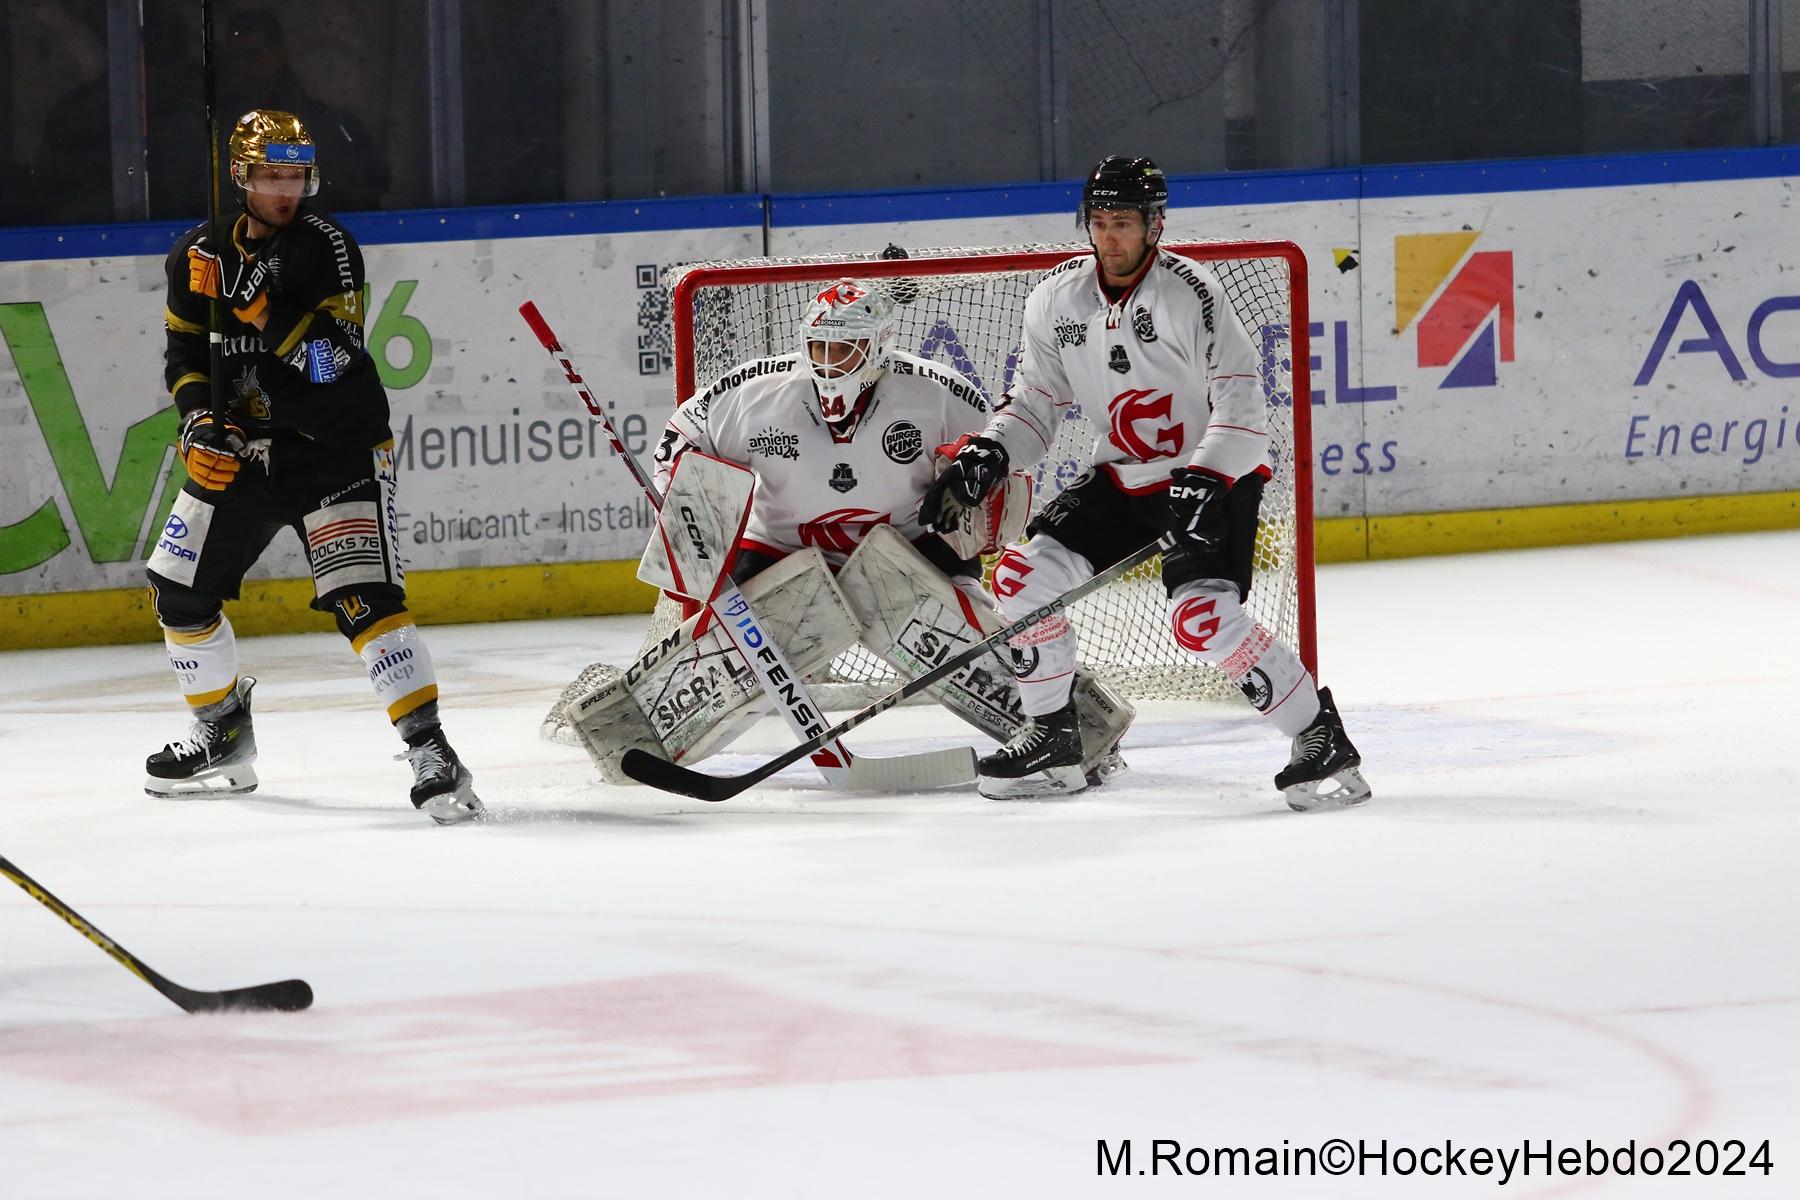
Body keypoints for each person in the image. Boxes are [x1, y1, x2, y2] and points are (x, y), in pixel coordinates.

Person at [920, 154, 1371, 810]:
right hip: (1124, 480)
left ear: (1155, 224)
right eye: (1099, 221)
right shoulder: (1056, 299)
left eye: (1123, 221)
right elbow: (1035, 405)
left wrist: (1205, 478)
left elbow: (1244, 410)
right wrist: (991, 451)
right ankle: (1054, 735)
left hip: (1213, 476)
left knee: (1201, 619)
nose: (1109, 236)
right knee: (1021, 579)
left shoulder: (1192, 293)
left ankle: (1318, 737)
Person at [143, 109, 482, 825]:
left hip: (333, 447)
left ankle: (431, 749)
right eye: (272, 175)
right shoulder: (195, 257)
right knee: (178, 590)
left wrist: (257, 304)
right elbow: (184, 359)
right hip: (241, 451)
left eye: (296, 175)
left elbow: (331, 365)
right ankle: (222, 733)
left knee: (365, 599)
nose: (286, 189)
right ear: (241, 177)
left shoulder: (326, 248)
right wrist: (199, 420)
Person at [223, 11, 390, 212]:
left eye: (252, 55)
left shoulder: (329, 125)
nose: (241, 67)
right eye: (233, 58)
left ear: (279, 54)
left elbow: (365, 186)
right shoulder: (210, 123)